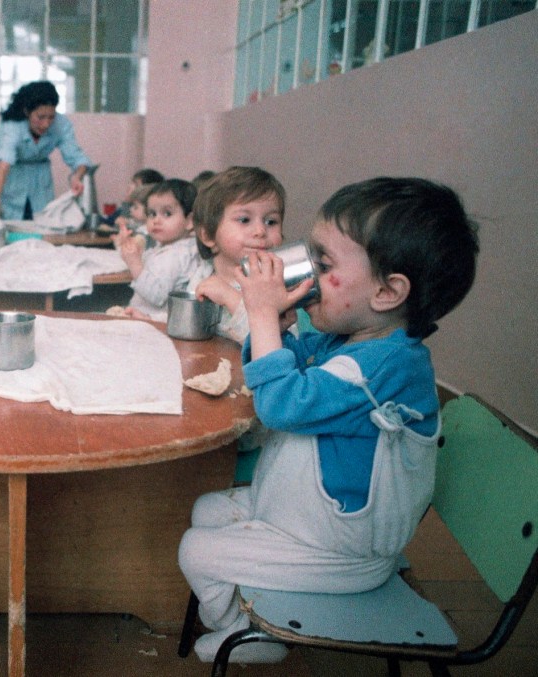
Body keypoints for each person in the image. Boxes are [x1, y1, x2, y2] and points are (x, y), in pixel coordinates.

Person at [177, 177, 479, 664]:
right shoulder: (350, 339)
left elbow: (280, 404)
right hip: (302, 515)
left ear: (386, 292)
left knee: (196, 549)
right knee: (208, 509)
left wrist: (257, 313)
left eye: (324, 264)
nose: (307, 274)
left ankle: (250, 633)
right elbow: (289, 367)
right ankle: (253, 608)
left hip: (342, 551)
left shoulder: (382, 369)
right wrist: (269, 321)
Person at [186, 166, 286, 340]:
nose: (261, 230)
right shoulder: (204, 273)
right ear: (208, 235)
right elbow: (190, 320)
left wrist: (231, 299)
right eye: (244, 220)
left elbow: (278, 347)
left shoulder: (274, 283)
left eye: (271, 221)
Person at [0, 80, 91, 220]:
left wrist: (77, 176)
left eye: (51, 117)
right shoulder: (12, 125)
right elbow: (4, 164)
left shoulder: (61, 124)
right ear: (27, 111)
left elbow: (77, 157)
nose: (46, 124)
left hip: (38, 179)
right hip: (4, 177)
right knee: (5, 221)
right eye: (41, 117)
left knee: (41, 221)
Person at [112, 179, 200, 319]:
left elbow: (157, 295)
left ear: (189, 221)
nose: (156, 220)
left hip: (154, 321)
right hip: (147, 317)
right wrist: (128, 247)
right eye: (152, 213)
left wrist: (135, 264)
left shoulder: (177, 254)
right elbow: (149, 266)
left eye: (167, 214)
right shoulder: (168, 246)